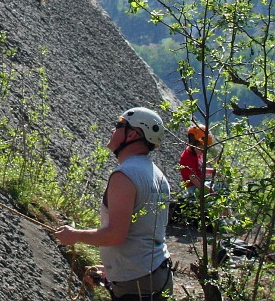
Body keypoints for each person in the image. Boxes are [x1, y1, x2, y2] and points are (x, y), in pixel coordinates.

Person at [54, 107, 172, 300]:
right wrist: (113, 271)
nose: (113, 130)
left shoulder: (124, 176)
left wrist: (75, 235)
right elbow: (143, 233)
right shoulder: (158, 176)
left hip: (136, 285)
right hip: (154, 274)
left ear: (132, 134)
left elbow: (115, 235)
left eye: (119, 125)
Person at [179, 122, 215, 197]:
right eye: (201, 148)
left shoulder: (197, 153)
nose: (203, 151)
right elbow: (193, 178)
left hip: (201, 183)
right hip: (194, 187)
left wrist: (212, 171)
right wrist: (209, 190)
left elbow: (199, 169)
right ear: (193, 144)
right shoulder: (187, 158)